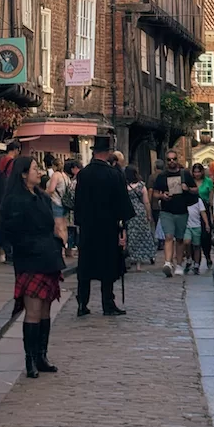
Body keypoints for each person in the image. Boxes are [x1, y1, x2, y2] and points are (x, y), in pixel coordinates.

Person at [0, 156, 65, 379]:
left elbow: (50, 224)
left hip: (48, 258)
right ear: (23, 174)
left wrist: (57, 241)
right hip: (29, 260)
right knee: (33, 310)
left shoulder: (43, 197)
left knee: (46, 309)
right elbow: (10, 232)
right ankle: (30, 360)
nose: (39, 172)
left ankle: (41, 356)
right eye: (35, 169)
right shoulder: (15, 201)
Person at [74, 135, 134, 316]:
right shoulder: (114, 175)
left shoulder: (83, 174)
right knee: (107, 265)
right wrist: (122, 227)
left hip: (88, 227)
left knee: (85, 265)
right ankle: (107, 303)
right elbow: (122, 204)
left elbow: (78, 202)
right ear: (107, 153)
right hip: (108, 227)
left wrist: (80, 222)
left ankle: (82, 303)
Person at [154, 149, 198, 277]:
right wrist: (162, 196)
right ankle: (168, 262)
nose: (172, 161)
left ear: (177, 160)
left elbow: (196, 189)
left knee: (179, 239)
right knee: (168, 236)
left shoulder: (185, 174)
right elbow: (155, 193)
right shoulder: (162, 176)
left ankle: (178, 264)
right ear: (166, 161)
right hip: (166, 211)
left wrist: (187, 188)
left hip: (182, 211)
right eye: (169, 160)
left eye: (174, 159)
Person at [0, 140, 21, 263]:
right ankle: (10, 254)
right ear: (15, 150)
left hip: (0, 197)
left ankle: (3, 252)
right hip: (9, 197)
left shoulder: (1, 160)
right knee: (10, 225)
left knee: (1, 224)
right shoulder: (12, 163)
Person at [124, 165, 156, 272]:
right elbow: (146, 202)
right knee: (141, 237)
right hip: (140, 213)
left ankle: (128, 258)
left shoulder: (124, 186)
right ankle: (138, 263)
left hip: (128, 212)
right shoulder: (141, 186)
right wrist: (149, 214)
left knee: (129, 236)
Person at [46, 157, 72, 250]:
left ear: (54, 166)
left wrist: (44, 194)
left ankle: (60, 249)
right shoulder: (65, 176)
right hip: (65, 204)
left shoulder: (55, 175)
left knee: (58, 228)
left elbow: (51, 189)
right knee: (64, 227)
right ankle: (65, 246)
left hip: (56, 203)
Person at [192, 162, 214, 269]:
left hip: (205, 208)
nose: (197, 174)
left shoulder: (208, 181)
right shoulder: (191, 182)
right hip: (193, 209)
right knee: (195, 234)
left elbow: (211, 196)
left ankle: (207, 255)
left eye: (199, 172)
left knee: (206, 234)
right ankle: (195, 259)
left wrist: (213, 210)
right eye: (195, 172)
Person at [184, 195, 208, 274]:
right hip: (186, 225)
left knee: (197, 245)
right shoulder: (183, 199)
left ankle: (197, 264)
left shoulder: (198, 200)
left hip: (196, 226)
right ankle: (189, 259)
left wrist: (207, 224)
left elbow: (203, 212)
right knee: (187, 242)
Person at [64, 159, 82, 254]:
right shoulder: (80, 179)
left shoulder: (74, 181)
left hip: (72, 209)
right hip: (78, 209)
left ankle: (69, 250)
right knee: (77, 230)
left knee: (71, 230)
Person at [147, 159, 165, 250]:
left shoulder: (152, 177)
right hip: (165, 202)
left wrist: (148, 202)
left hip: (155, 203)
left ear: (155, 167)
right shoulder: (165, 175)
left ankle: (160, 241)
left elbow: (150, 190)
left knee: (157, 222)